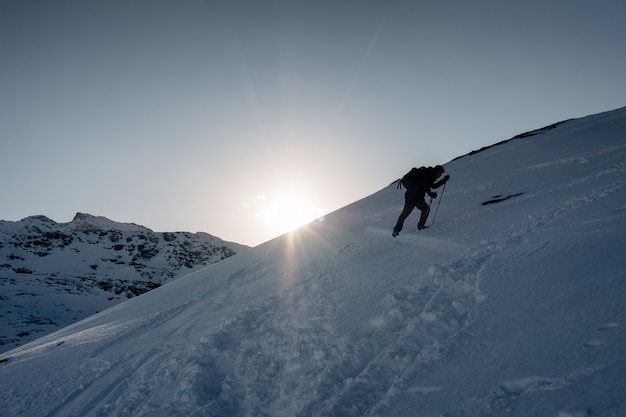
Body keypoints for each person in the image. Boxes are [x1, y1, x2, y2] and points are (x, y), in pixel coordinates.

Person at [392, 165, 450, 237]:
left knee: (424, 209)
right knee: (407, 213)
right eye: (439, 173)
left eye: (440, 174)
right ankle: (398, 230)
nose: (439, 175)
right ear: (436, 171)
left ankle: (419, 226)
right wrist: (430, 193)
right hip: (413, 196)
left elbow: (433, 186)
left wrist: (444, 180)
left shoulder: (430, 175)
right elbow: (425, 185)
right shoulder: (428, 175)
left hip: (416, 196)